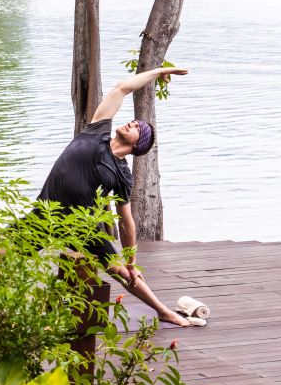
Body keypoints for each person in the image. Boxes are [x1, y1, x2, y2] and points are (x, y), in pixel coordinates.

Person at [32, 67, 191, 326]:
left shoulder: (122, 174)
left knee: (123, 273)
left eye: (138, 127)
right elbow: (122, 88)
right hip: (47, 214)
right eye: (134, 121)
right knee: (0, 253)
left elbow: (125, 220)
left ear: (138, 145)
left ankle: (163, 311)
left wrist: (131, 261)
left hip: (82, 226)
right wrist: (161, 70)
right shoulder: (97, 131)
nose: (132, 122)